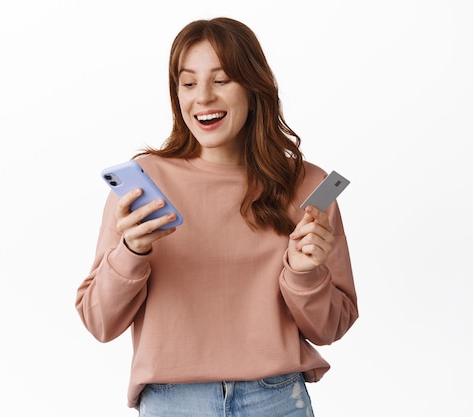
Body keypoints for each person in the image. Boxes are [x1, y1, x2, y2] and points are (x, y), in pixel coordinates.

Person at [76, 17, 358, 417]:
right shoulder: (147, 183)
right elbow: (99, 322)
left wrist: (304, 273)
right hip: (172, 403)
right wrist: (130, 251)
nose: (202, 98)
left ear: (253, 86)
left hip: (277, 400)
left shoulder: (307, 186)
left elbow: (331, 327)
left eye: (221, 80)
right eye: (188, 83)